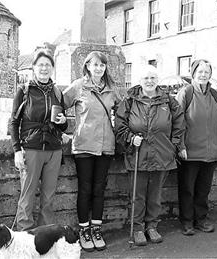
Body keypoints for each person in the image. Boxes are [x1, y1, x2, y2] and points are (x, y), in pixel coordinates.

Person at [115, 65, 186, 246]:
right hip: (137, 154)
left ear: (157, 80)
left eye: (153, 78)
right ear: (140, 80)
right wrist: (131, 138)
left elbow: (179, 123)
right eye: (146, 78)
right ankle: (138, 228)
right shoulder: (129, 101)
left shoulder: (168, 101)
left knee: (155, 195)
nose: (149, 81)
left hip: (162, 154)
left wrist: (174, 145)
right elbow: (119, 126)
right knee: (137, 195)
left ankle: (151, 226)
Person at [62, 51, 120, 252]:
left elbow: (122, 112)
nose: (99, 68)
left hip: (106, 146)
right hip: (84, 146)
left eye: (102, 65)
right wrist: (61, 129)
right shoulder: (79, 86)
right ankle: (84, 230)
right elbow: (59, 104)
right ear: (87, 66)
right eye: (95, 64)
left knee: (99, 190)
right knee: (85, 189)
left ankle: (96, 228)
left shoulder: (112, 89)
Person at [9, 49, 68, 231]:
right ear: (33, 67)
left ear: (52, 68)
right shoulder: (24, 91)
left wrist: (64, 122)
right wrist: (17, 150)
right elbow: (13, 122)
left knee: (48, 198)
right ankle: (25, 237)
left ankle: (45, 235)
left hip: (54, 150)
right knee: (27, 197)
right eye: (40, 65)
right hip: (31, 149)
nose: (44, 68)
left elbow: (61, 124)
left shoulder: (57, 92)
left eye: (48, 65)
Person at [176, 59, 217, 236]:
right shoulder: (186, 92)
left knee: (203, 189)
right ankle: (186, 221)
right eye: (200, 71)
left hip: (211, 153)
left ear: (210, 75)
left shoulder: (216, 96)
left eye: (206, 72)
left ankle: (201, 219)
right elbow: (177, 122)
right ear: (193, 73)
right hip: (190, 152)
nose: (203, 75)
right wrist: (180, 146)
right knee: (187, 189)